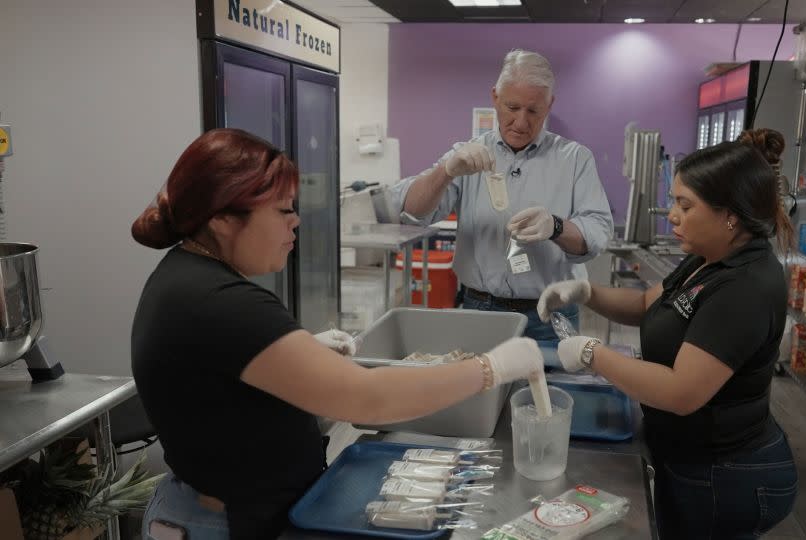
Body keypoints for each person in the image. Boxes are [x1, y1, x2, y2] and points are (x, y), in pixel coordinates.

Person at [131, 128, 544, 540]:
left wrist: (299, 353)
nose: (296, 224)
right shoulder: (219, 301)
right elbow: (369, 399)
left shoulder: (186, 276)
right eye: (282, 211)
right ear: (221, 218)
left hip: (221, 506)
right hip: (223, 523)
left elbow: (217, 378)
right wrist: (489, 369)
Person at [538, 129, 798, 539]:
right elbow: (647, 306)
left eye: (684, 205)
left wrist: (593, 353)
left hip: (726, 473)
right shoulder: (708, 258)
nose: (672, 215)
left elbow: (681, 392)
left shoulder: (744, 286)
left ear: (729, 214)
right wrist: (586, 292)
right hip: (688, 456)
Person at [389, 49, 613, 344]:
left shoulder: (574, 159)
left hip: (550, 313)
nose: (521, 122)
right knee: (484, 388)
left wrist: (556, 227)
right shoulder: (467, 154)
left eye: (533, 111)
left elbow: (598, 233)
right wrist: (446, 170)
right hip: (480, 310)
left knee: (548, 389)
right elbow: (412, 209)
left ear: (549, 105)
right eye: (512, 107)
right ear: (495, 97)